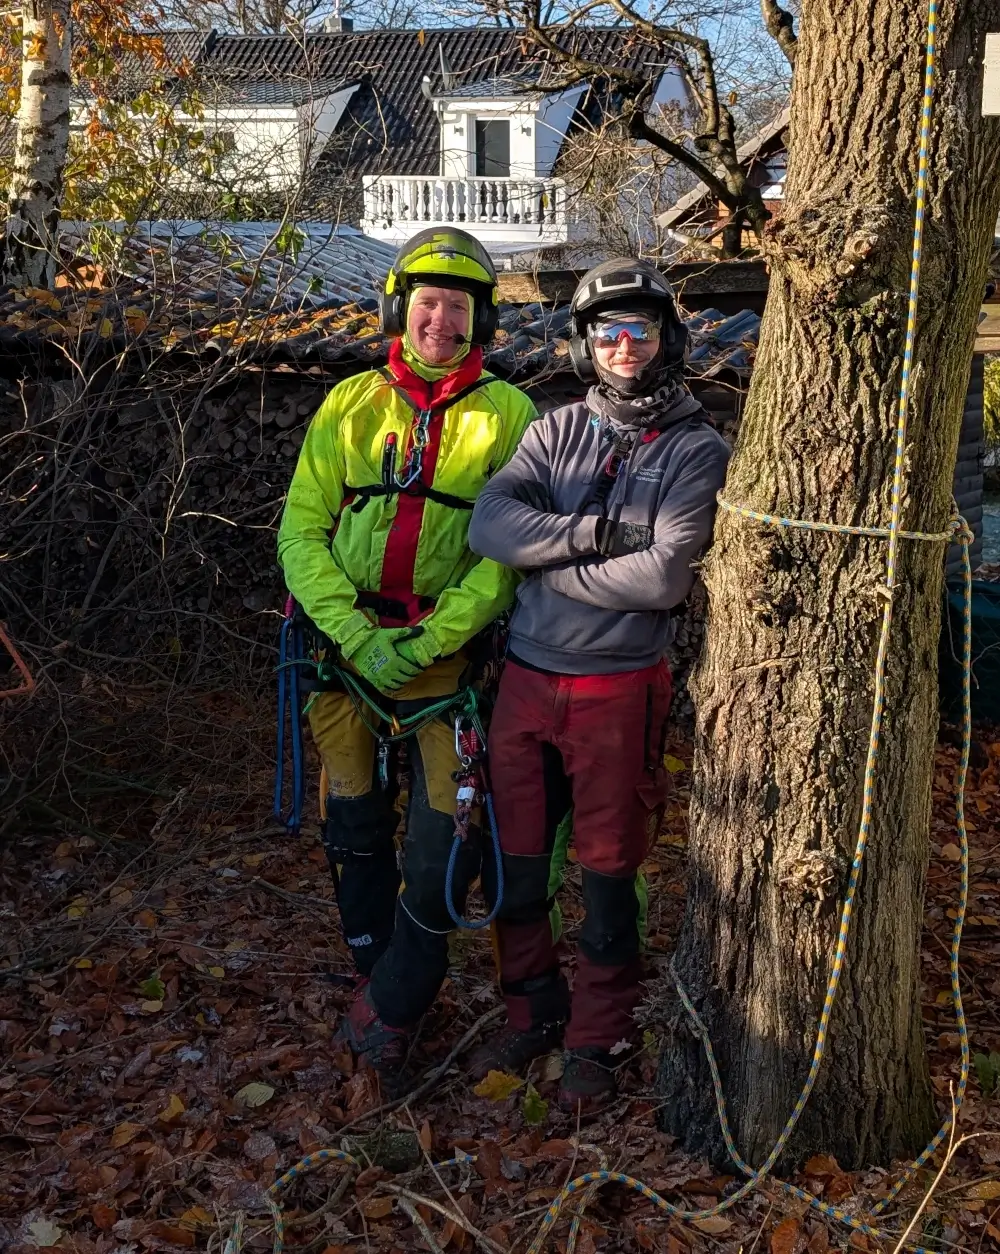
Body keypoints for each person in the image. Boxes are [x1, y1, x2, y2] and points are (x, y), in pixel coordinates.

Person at [467, 258, 731, 1111]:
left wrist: (548, 568)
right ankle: (533, 1005)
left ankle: (602, 1029)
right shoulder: (552, 431)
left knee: (610, 870)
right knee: (515, 864)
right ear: (585, 343)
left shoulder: (697, 447)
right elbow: (489, 524)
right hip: (525, 683)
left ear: (666, 340)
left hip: (620, 687)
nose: (625, 346)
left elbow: (661, 582)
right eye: (609, 332)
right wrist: (594, 535)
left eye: (641, 331)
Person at [277, 228, 537, 1085]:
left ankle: (403, 989)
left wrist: (430, 639)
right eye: (428, 303)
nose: (440, 321)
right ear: (400, 308)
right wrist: (354, 634)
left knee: (439, 843)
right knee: (352, 823)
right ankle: (375, 976)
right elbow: (302, 528)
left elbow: (505, 555)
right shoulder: (350, 402)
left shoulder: (508, 417)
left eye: (458, 308)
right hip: (345, 655)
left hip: (441, 665)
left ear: (480, 322)